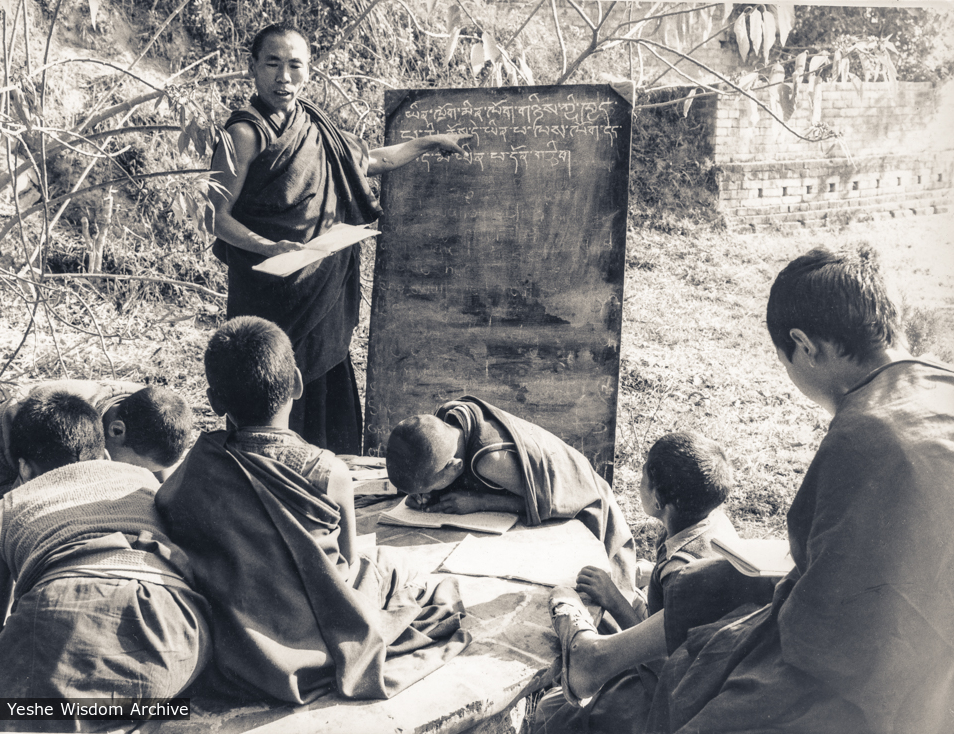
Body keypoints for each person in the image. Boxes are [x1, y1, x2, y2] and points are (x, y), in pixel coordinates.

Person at [538, 245, 954, 734]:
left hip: (901, 674)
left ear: (804, 345)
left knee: (702, 684)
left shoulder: (868, 432)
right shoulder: (937, 384)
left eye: (786, 360)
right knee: (723, 578)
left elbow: (832, 633)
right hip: (907, 618)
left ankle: (600, 662)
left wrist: (741, 641)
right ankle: (599, 658)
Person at [155, 317, 470, 705]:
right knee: (396, 568)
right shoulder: (328, 471)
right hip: (320, 626)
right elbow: (349, 565)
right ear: (299, 383)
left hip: (239, 638)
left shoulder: (202, 464)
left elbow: (169, 508)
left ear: (215, 401)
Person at [209, 22, 470, 455]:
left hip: (321, 291)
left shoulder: (316, 127)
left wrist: (428, 142)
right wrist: (267, 246)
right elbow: (216, 217)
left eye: (295, 65)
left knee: (324, 387)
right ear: (252, 67)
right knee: (267, 379)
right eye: (272, 63)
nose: (284, 77)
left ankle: (330, 476)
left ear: (309, 71)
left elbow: (372, 160)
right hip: (269, 291)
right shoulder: (243, 133)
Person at [0, 392, 210, 725]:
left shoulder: (9, 507)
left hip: (66, 608)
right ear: (102, 448)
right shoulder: (145, 482)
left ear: (23, 467)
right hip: (179, 633)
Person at [533, 431, 741, 734]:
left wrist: (614, 598)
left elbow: (662, 657)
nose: (638, 482)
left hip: (661, 694)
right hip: (702, 670)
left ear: (657, 500)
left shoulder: (680, 573)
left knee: (551, 714)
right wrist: (650, 571)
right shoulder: (711, 522)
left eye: (643, 476)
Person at [386, 395, 637, 598]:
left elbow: (541, 503)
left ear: (454, 466)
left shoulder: (490, 461)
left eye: (429, 488)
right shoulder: (448, 421)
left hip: (587, 504)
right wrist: (429, 492)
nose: (428, 494)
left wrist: (479, 503)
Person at [0, 380, 194, 539]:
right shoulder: (65, 428)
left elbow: (165, 493)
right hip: (4, 441)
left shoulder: (154, 415)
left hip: (60, 449)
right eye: (136, 468)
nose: (137, 475)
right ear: (116, 430)